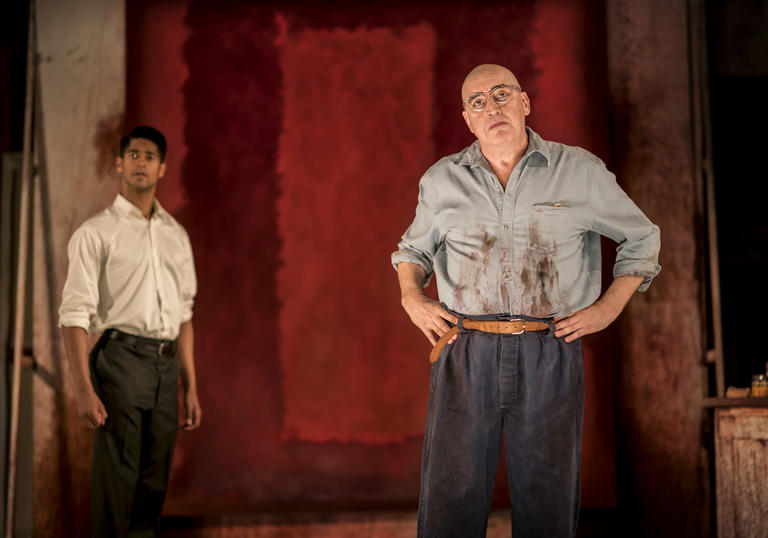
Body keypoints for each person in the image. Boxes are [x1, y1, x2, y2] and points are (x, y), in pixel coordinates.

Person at [392, 64, 660, 537]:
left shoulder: (579, 171)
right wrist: (412, 295)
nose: (492, 108)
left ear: (525, 102)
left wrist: (607, 308)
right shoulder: (442, 181)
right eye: (478, 102)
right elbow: (412, 251)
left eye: (501, 95)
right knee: (449, 499)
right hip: (465, 348)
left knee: (548, 500)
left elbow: (642, 239)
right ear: (467, 119)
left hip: (549, 347)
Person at [59, 126, 202, 537]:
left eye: (150, 156)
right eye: (134, 155)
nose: (142, 162)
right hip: (119, 361)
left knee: (153, 486)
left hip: (165, 364)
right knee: (116, 485)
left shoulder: (176, 236)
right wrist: (83, 389)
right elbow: (74, 316)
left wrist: (189, 386)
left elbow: (184, 315)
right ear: (120, 164)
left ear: (162, 168)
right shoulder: (95, 233)